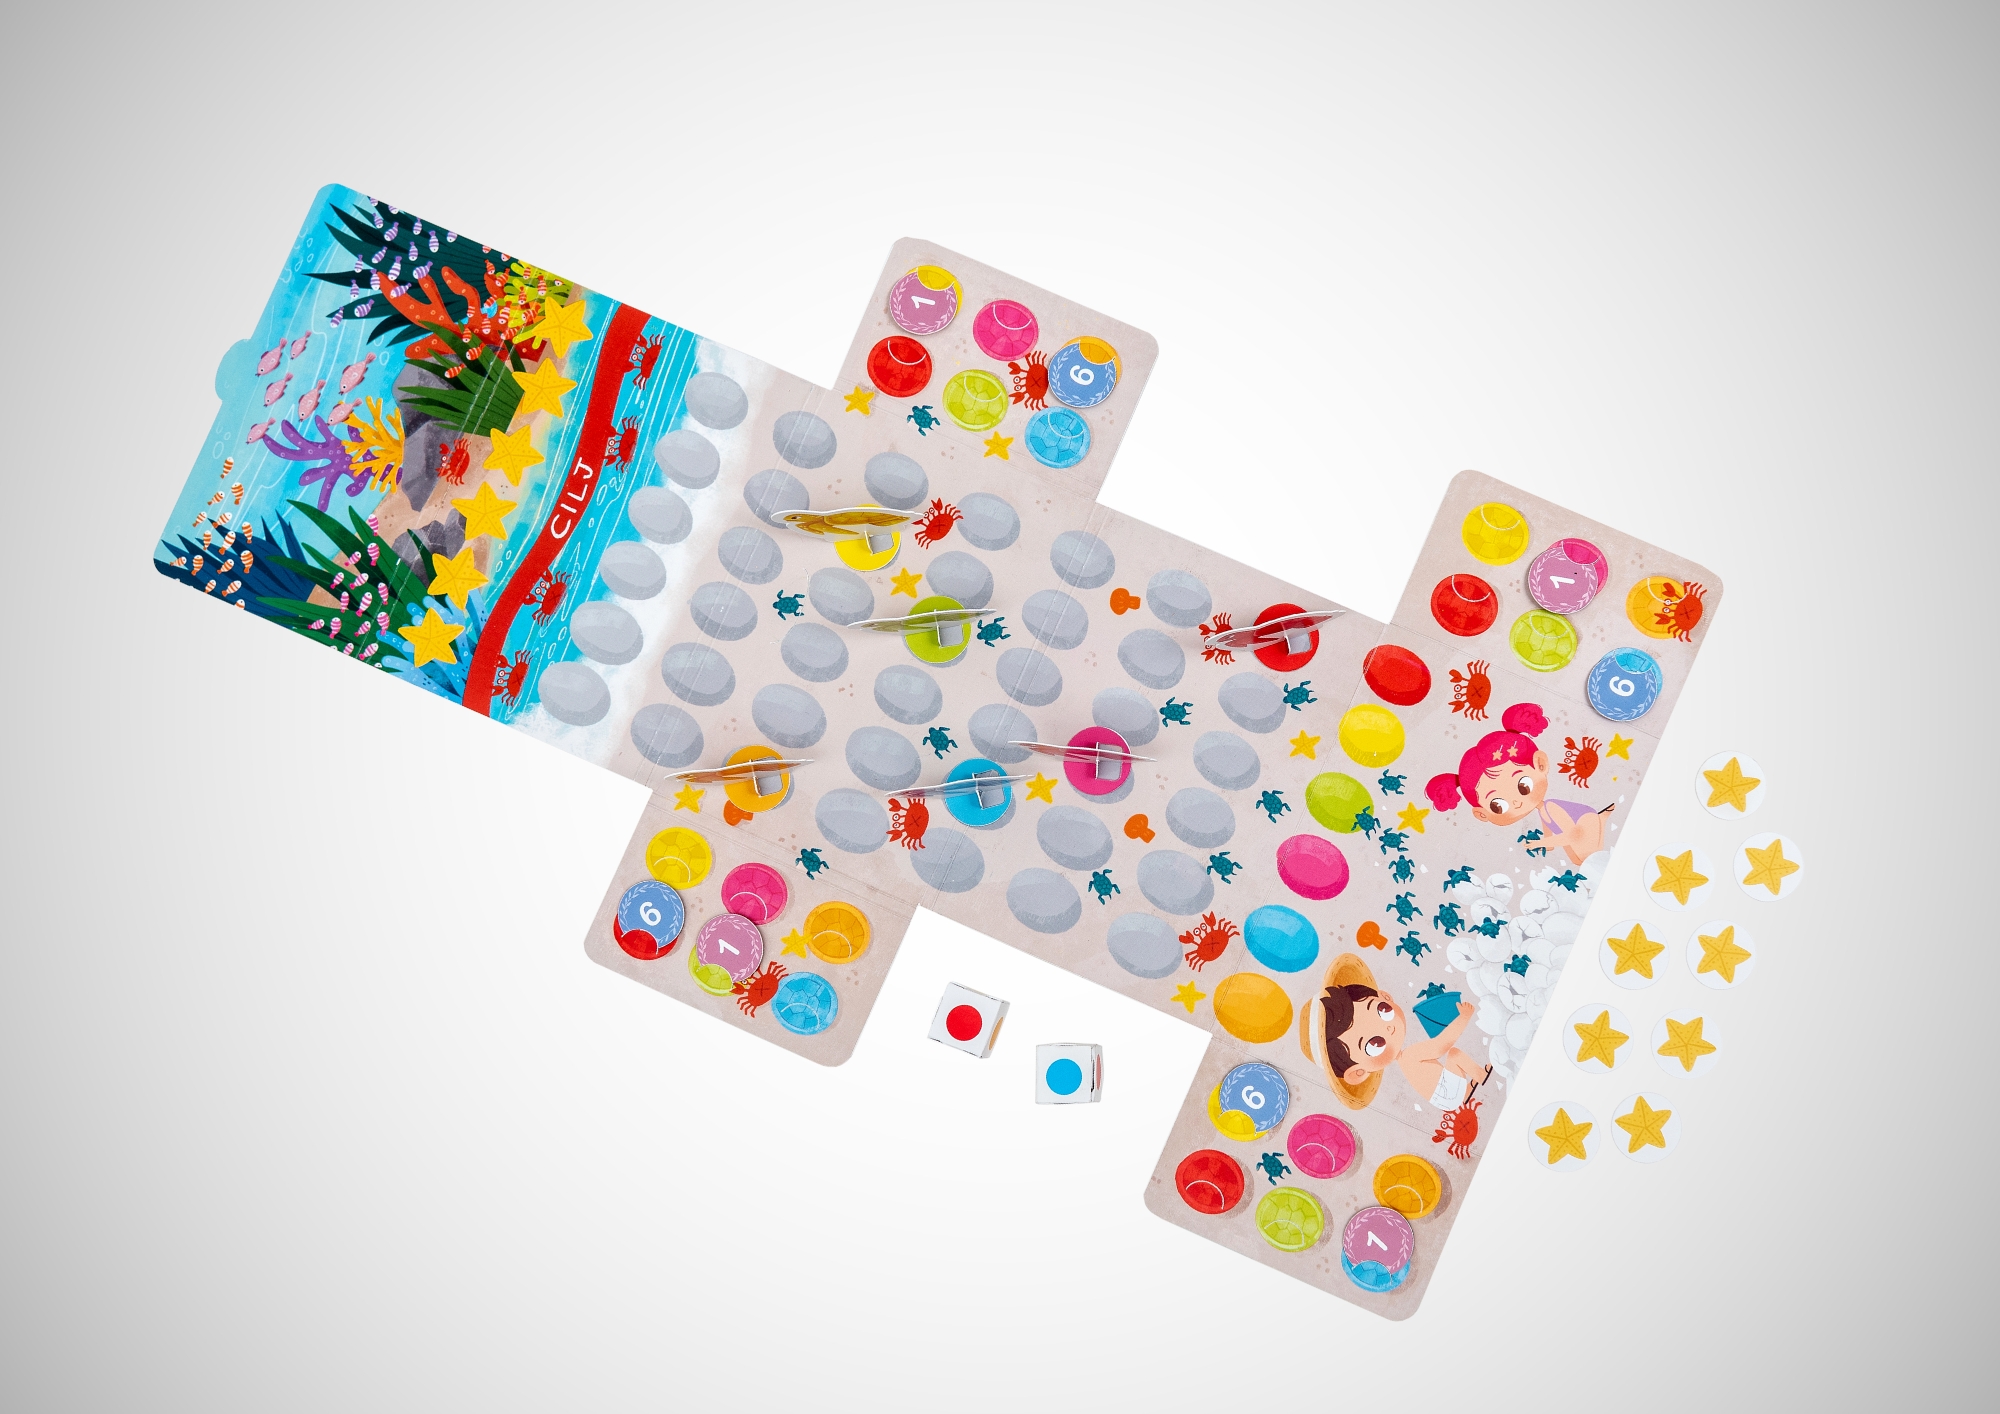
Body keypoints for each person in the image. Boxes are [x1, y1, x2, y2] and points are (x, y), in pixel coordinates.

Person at [1424, 702, 1610, 865]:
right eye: (1497, 805)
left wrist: (1540, 843)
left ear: (1541, 764)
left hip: (1588, 827)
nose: (1516, 802)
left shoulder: (1551, 807)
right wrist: (1548, 845)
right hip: (1583, 837)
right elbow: (1550, 825)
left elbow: (1574, 834)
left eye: (1523, 786)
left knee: (1582, 858)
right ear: (1482, 814)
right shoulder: (1545, 809)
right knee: (1579, 860)